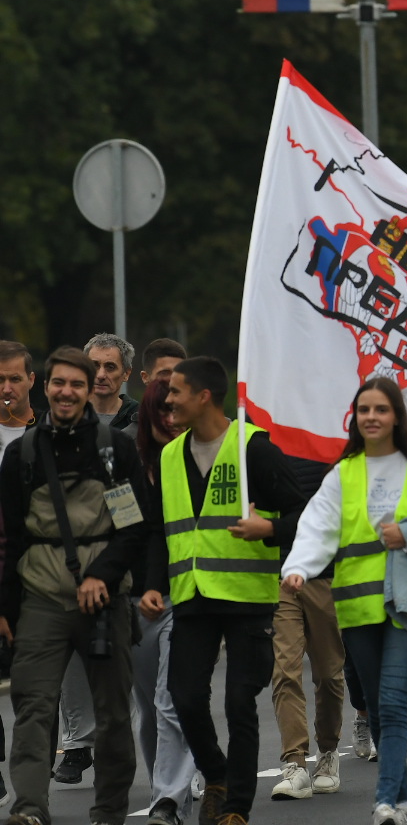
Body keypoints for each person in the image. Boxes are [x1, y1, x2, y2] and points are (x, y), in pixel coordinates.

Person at [282, 378, 407, 825]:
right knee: (377, 702)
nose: (372, 416)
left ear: (396, 417)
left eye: (381, 409)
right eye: (364, 409)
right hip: (355, 607)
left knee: (391, 703)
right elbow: (318, 526)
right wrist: (298, 566)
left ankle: (385, 800)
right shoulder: (343, 473)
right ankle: (406, 802)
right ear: (355, 417)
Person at [140, 356, 307, 825]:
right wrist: (153, 584)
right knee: (185, 697)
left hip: (247, 599)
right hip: (190, 596)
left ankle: (234, 807)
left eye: (175, 392)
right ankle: (215, 774)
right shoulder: (170, 455)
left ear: (204, 397)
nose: (166, 400)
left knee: (238, 703)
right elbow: (158, 529)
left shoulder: (254, 448)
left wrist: (269, 528)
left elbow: (307, 515)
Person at [0, 346, 152, 825]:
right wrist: (6, 609)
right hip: (41, 598)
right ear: (45, 387)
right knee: (33, 709)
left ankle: (108, 810)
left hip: (104, 600)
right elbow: (12, 540)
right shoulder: (20, 454)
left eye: (77, 384)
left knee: (110, 716)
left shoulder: (114, 449)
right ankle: (28, 807)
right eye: (58, 383)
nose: (67, 392)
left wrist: (100, 576)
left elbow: (133, 528)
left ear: (90, 391)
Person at [130, 375, 198, 825]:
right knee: (147, 710)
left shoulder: (198, 462)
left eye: (177, 411)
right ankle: (168, 784)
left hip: (185, 597)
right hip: (135, 602)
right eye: (163, 412)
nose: (172, 420)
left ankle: (167, 799)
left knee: (170, 698)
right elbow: (129, 533)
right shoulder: (128, 467)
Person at [268, 448, 349, 802]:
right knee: (285, 670)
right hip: (280, 574)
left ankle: (328, 753)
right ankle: (295, 762)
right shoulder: (265, 438)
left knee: (329, 674)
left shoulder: (333, 440)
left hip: (326, 576)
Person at [84, 332, 139, 430]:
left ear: (126, 374)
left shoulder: (141, 419)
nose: (101, 375)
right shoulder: (68, 415)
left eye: (110, 367)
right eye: (94, 365)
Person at [0, 340, 36, 454]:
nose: (6, 390)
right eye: (0, 380)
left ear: (31, 380)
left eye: (15, 379)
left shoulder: (48, 429)